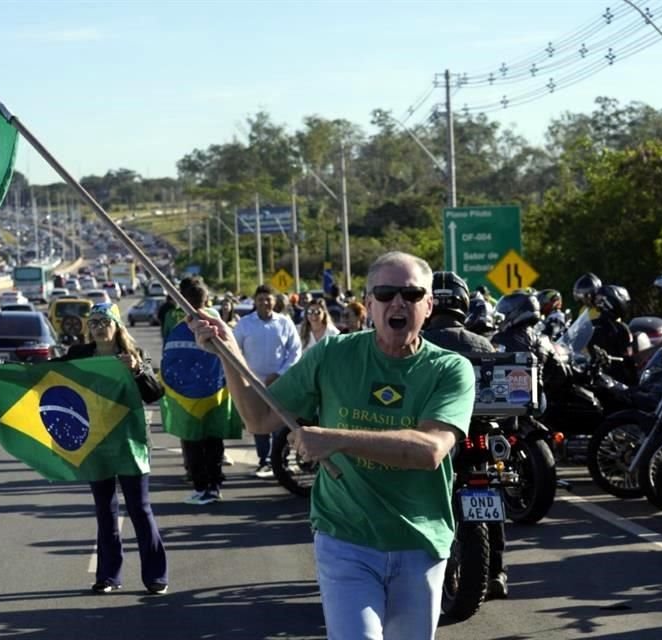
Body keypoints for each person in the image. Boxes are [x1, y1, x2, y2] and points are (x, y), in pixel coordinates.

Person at [191, 251, 475, 639]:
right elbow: (259, 418)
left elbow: (428, 451)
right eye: (386, 292)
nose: (398, 303)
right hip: (346, 539)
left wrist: (334, 439)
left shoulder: (450, 369)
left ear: (428, 305)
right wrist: (228, 351)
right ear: (369, 302)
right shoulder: (332, 354)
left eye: (410, 295)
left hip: (420, 541)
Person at [63, 302, 169, 595]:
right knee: (105, 511)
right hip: (95, 442)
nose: (98, 327)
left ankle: (156, 576)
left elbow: (154, 393)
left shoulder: (134, 357)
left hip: (129, 442)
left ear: (116, 326)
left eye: (104, 321)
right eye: (93, 322)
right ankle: (108, 576)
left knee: (140, 509)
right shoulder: (79, 356)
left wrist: (136, 371)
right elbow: (45, 374)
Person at [423, 271, 508, 600]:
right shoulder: (482, 343)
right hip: (478, 438)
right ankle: (497, 571)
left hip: (434, 438)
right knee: (490, 494)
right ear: (462, 302)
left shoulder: (419, 343)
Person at [164, 277, 232, 505]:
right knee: (213, 442)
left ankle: (203, 487)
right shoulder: (218, 323)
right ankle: (214, 486)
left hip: (188, 399)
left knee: (193, 443)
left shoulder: (179, 326)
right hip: (215, 394)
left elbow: (168, 363)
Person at [232, 284, 302, 478]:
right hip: (254, 383)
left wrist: (280, 373)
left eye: (268, 299)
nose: (265, 302)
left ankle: (281, 460)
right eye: (261, 299)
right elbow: (234, 351)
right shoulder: (245, 324)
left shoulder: (284, 322)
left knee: (281, 423)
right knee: (259, 423)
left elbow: (295, 351)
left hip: (280, 382)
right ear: (255, 301)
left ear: (274, 301)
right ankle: (265, 461)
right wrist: (246, 374)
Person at [589, 284, 636, 385]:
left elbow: (627, 361)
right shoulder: (620, 328)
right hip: (600, 378)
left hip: (611, 383)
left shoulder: (593, 325)